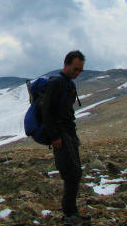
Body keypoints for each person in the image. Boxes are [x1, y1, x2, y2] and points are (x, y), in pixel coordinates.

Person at [41, 50, 89, 225]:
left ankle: (72, 212)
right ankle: (69, 215)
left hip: (69, 133)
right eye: (75, 69)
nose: (77, 73)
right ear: (66, 64)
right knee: (71, 173)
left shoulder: (69, 84)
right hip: (60, 134)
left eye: (80, 70)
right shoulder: (56, 84)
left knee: (75, 173)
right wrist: (55, 137)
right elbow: (47, 111)